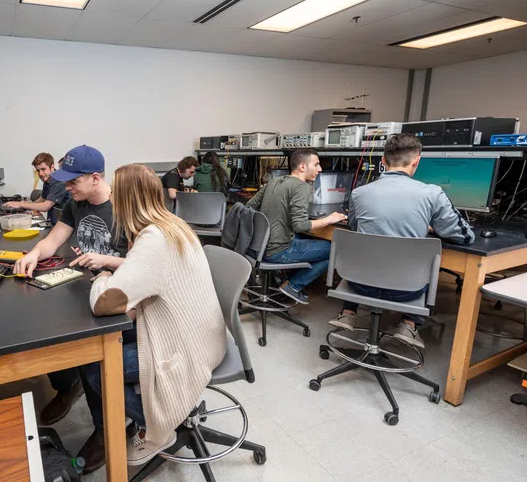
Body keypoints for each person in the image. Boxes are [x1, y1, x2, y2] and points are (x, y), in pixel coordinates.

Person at [85, 163, 226, 466]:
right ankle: (145, 412)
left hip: (188, 349)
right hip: (205, 334)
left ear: (124, 200)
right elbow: (149, 278)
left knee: (96, 369)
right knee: (115, 338)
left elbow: (106, 303)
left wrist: (100, 278)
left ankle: (158, 430)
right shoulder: (171, 223)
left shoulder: (153, 240)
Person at [13, 145, 128, 472]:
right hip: (88, 286)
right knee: (48, 321)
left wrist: (106, 263)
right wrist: (35, 254)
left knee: (93, 358)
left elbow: (145, 263)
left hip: (119, 295)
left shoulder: (124, 207)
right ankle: (68, 386)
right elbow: (52, 239)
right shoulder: (74, 203)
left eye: (72, 182)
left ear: (95, 178)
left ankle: (107, 432)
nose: (66, 188)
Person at [329, 134, 475, 349]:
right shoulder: (432, 194)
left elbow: (354, 229)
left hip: (360, 283)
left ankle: (348, 313)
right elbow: (463, 236)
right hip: (407, 289)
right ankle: (409, 323)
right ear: (416, 161)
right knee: (425, 262)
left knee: (367, 254)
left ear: (382, 162)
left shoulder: (359, 193)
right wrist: (428, 227)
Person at [246, 148, 346, 304]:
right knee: (336, 250)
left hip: (259, 247)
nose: (320, 169)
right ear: (302, 167)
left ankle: (284, 280)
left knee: (303, 239)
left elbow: (249, 207)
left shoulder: (274, 181)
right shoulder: (301, 187)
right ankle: (293, 285)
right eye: (317, 164)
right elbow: (300, 225)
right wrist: (329, 219)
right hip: (277, 251)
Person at [4, 152, 69, 224]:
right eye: (38, 170)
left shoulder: (59, 182)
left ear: (52, 167)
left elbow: (45, 206)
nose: (40, 174)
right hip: (52, 223)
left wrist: (20, 204)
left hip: (61, 226)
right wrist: (24, 205)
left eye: (43, 169)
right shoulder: (48, 180)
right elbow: (42, 199)